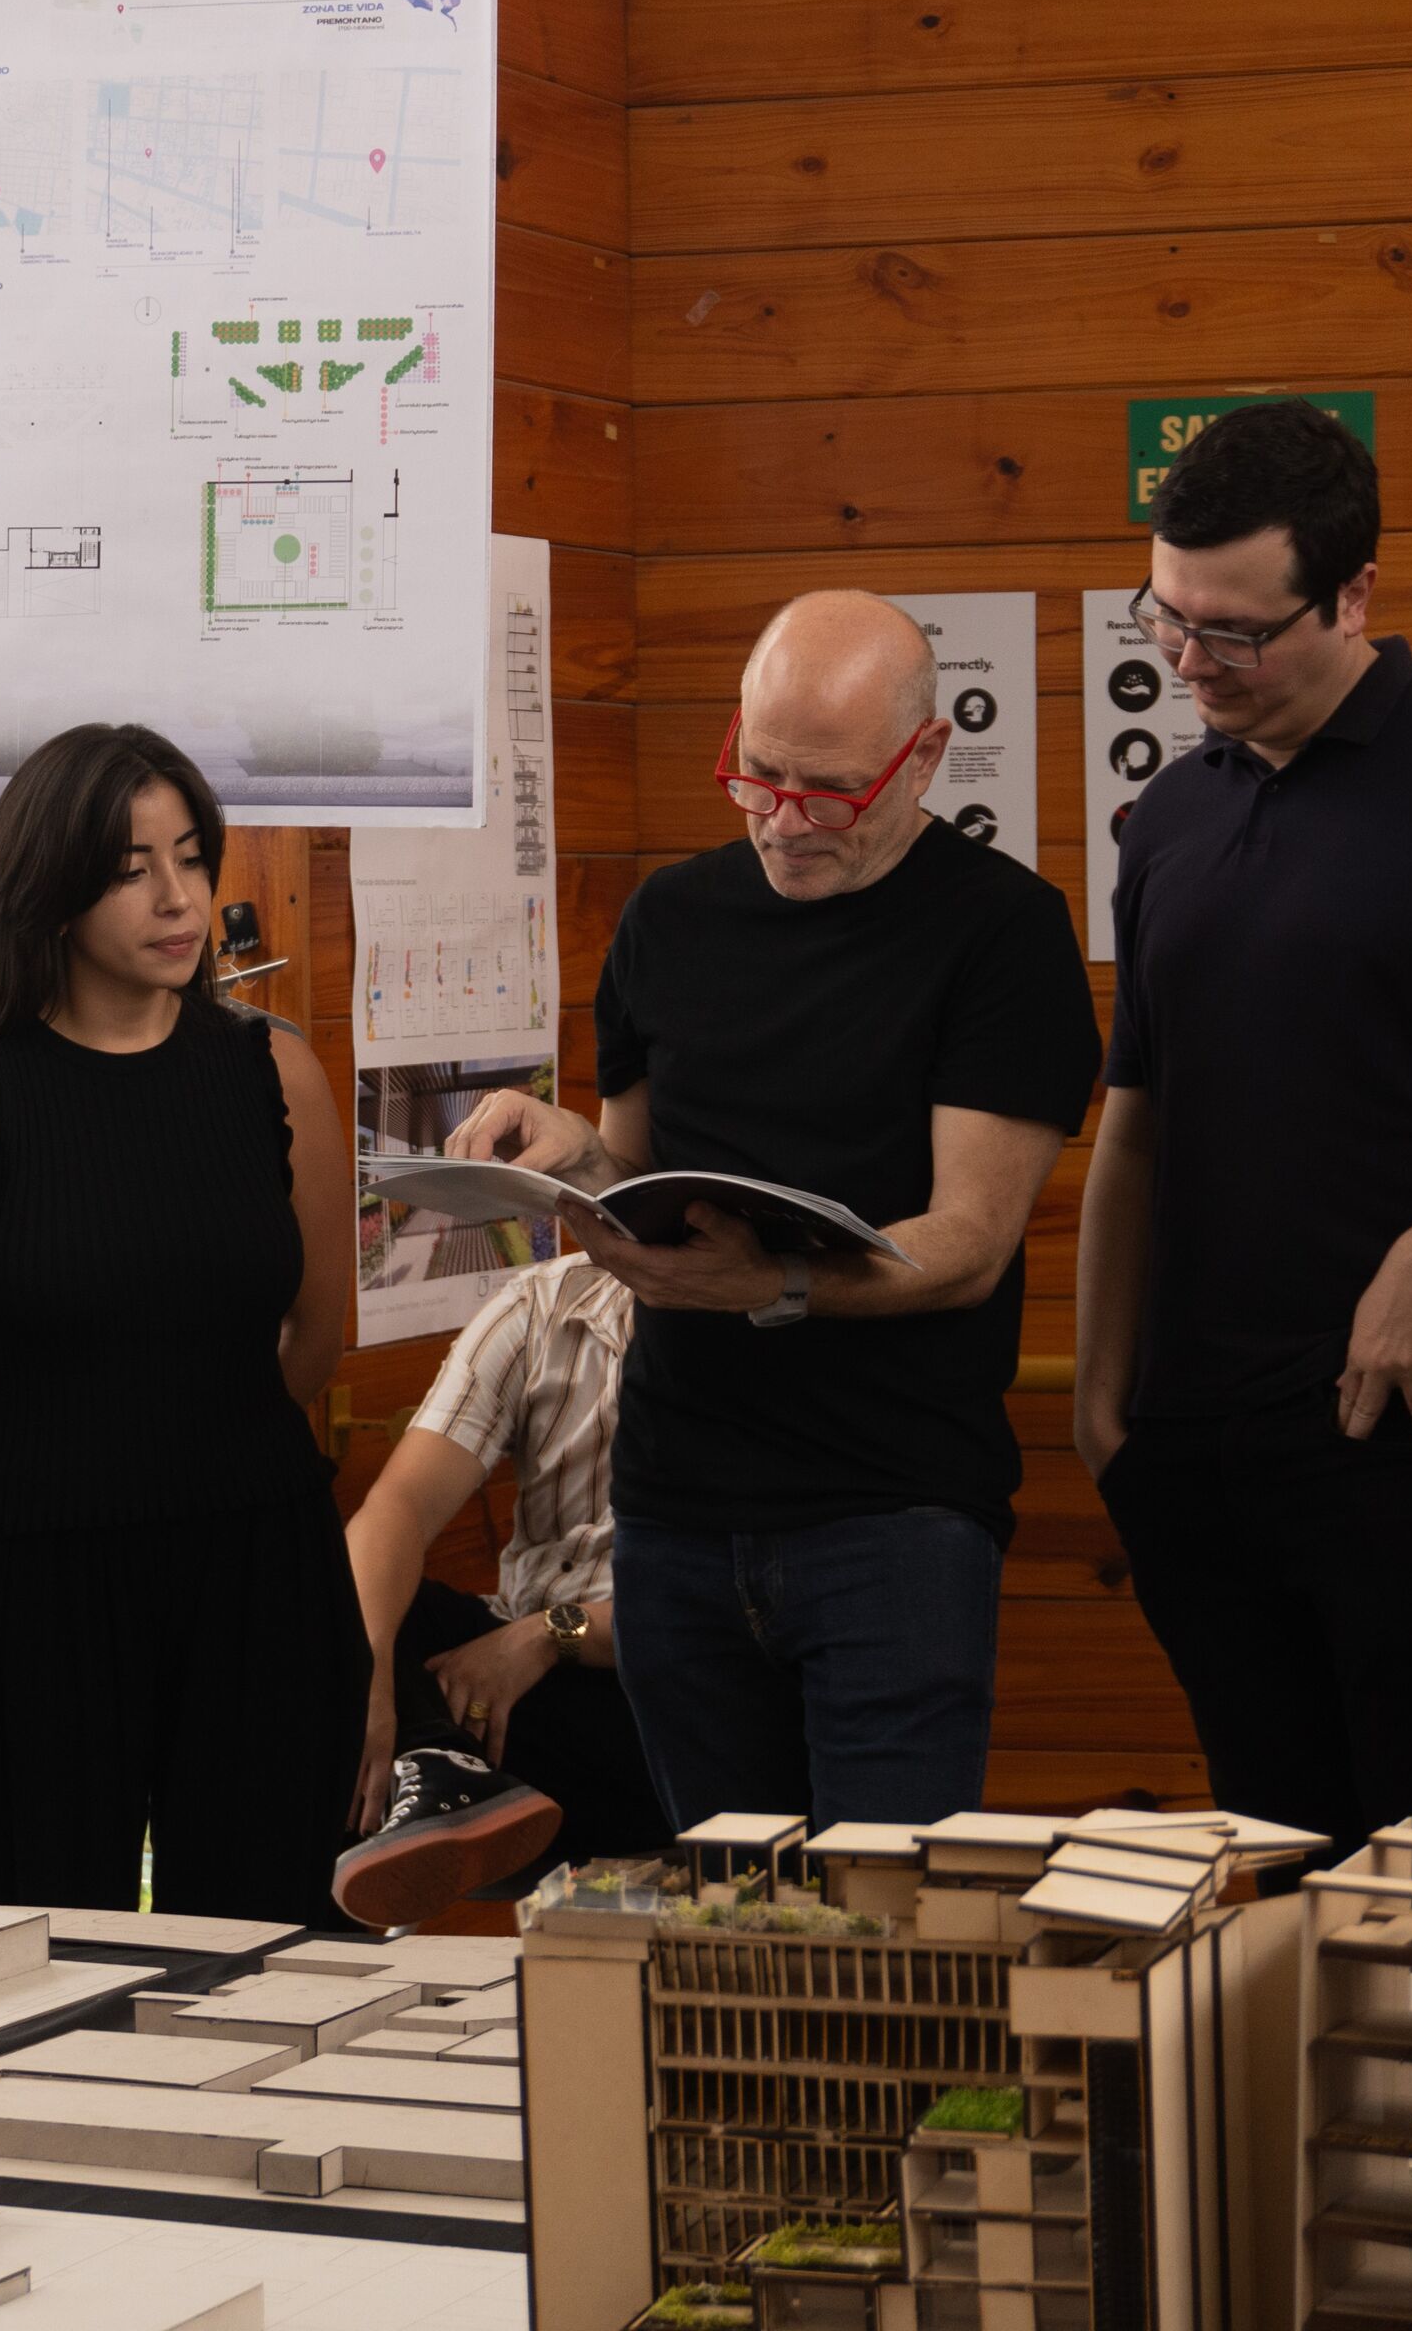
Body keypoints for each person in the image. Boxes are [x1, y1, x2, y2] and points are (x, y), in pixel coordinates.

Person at [449, 594, 1101, 1830]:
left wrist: (783, 1289)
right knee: (721, 1921)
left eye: (831, 793)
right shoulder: (670, 918)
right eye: (760, 777)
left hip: (891, 1512)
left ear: (923, 760)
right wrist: (565, 1153)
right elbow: (636, 1184)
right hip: (673, 1506)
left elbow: (967, 1242)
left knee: (879, 1932)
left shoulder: (1001, 933)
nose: (787, 824)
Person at [1071, 403, 1412, 1869]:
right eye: (1166, 619)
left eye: (1234, 633)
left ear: (1355, 595)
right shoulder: (1166, 820)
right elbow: (1136, 1123)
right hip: (1198, 1453)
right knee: (1269, 1865)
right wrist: (1106, 1402)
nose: (1187, 663)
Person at [0, 723, 363, 1925]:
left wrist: (207, 1455)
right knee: (39, 1971)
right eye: (132, 865)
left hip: (264, 1569)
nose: (177, 896)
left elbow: (319, 1335)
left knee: (266, 1960)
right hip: (35, 1592)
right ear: (49, 882)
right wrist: (44, 1473)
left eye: (192, 857)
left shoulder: (273, 1068)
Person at [334, 1249, 667, 1928]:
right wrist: (366, 1672)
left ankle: (426, 1789)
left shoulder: (778, 1310)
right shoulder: (543, 1304)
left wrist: (548, 1636)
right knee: (322, 1590)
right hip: (513, 1692)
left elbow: (743, 1605)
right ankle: (436, 1764)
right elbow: (398, 1506)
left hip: (671, 1696)